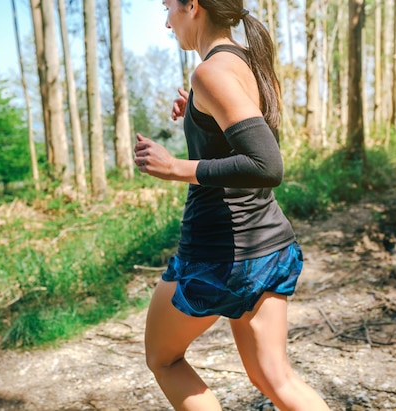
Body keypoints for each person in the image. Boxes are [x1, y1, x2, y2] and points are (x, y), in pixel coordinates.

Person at [133, 1, 331, 410]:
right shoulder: (243, 60)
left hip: (218, 256)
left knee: (163, 358)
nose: (166, 21)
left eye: (168, 7)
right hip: (267, 246)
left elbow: (265, 163)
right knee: (275, 378)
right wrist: (198, 116)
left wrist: (174, 167)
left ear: (193, 6)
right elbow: (242, 133)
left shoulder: (211, 71)